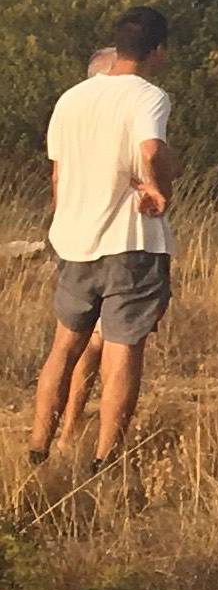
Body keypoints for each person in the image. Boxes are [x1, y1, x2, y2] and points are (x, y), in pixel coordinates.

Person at [29, 10, 175, 473]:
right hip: (129, 241)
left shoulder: (71, 99)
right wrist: (159, 186)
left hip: (74, 241)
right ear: (158, 52)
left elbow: (57, 174)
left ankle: (37, 447)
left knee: (64, 348)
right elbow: (151, 149)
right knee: (122, 350)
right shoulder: (149, 96)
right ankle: (105, 456)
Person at [49, 46, 120, 448]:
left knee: (79, 343)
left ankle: (63, 434)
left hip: (74, 240)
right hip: (109, 243)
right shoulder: (120, 111)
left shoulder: (69, 110)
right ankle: (82, 438)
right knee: (100, 344)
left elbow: (57, 178)